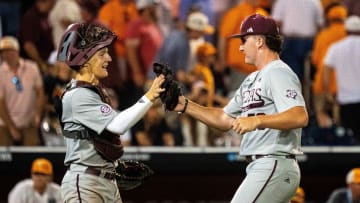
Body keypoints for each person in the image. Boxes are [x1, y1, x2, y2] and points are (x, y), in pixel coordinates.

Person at [172, 13, 308, 203]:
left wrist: (258, 120)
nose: (241, 46)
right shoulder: (252, 79)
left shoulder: (278, 72)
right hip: (262, 165)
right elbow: (224, 119)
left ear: (260, 41)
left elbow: (299, 116)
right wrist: (184, 105)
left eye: (245, 40)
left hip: (273, 162)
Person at [56, 22, 164, 202]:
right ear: (85, 59)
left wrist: (112, 166)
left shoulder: (91, 92)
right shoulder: (78, 95)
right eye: (102, 54)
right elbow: (117, 125)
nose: (109, 59)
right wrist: (150, 96)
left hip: (103, 182)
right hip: (86, 184)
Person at [0, 36, 45, 146]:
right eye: (3, 52)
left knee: (32, 152)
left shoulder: (32, 67)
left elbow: (40, 93)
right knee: (3, 153)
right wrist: (11, 127)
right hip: (6, 122)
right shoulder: (0, 72)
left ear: (17, 50)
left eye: (9, 51)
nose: (6, 55)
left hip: (28, 120)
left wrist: (37, 114)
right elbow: (0, 103)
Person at [323, 15, 360, 144]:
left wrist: (327, 92)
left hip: (345, 99)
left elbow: (326, 70)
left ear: (346, 30)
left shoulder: (336, 47)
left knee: (349, 138)